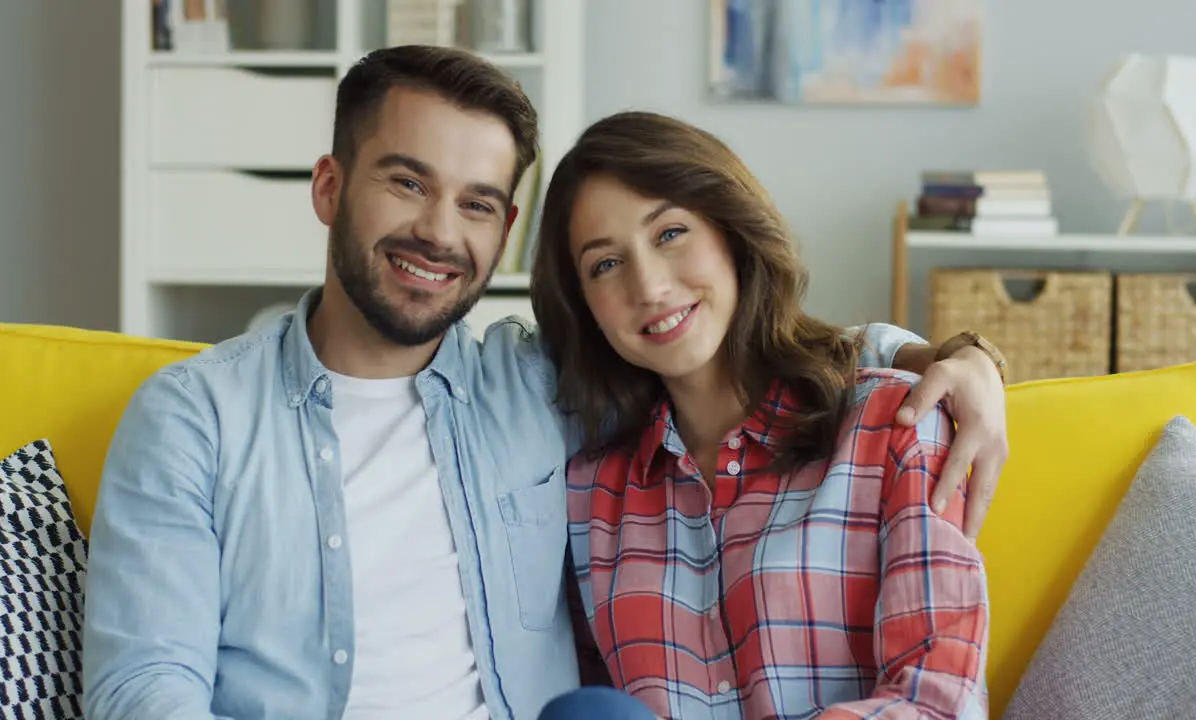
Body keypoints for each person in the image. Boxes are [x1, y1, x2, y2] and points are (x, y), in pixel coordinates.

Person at [82, 46, 1005, 720]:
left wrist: (951, 358)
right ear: (329, 186)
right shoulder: (193, 417)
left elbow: (729, 350)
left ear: (506, 229)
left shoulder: (532, 388)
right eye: (406, 183)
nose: (439, 232)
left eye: (477, 204)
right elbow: (142, 688)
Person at [527, 111, 991, 720]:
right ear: (584, 306)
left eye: (669, 233)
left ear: (731, 231)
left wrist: (973, 354)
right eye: (605, 265)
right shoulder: (589, 491)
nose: (649, 285)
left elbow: (938, 700)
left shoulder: (898, 422)